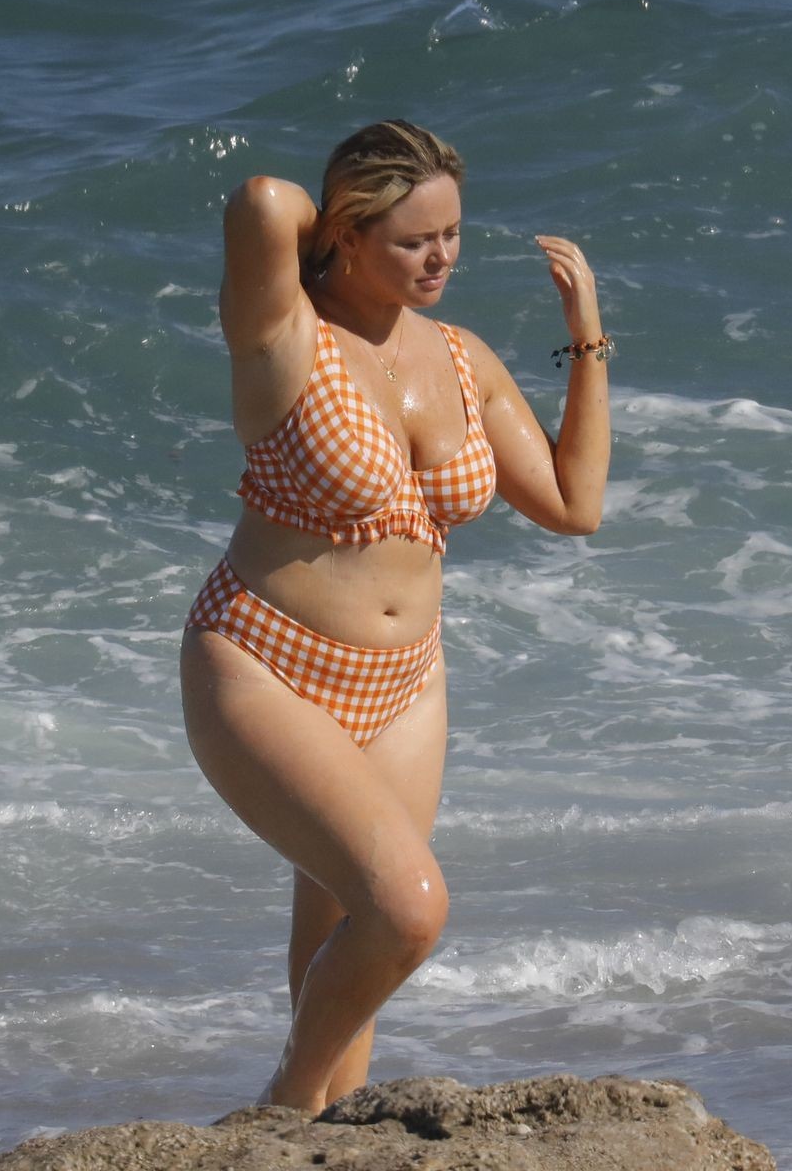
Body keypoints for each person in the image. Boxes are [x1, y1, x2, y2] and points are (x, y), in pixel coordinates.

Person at [178, 119, 612, 1115]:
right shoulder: (283, 331)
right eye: (414, 239)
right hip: (264, 662)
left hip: (406, 683)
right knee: (408, 910)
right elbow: (262, 201)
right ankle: (280, 1112)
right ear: (348, 232)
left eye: (453, 233)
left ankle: (326, 1129)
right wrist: (326, 224)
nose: (441, 257)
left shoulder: (460, 357)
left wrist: (586, 334)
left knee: (354, 937)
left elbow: (573, 504)